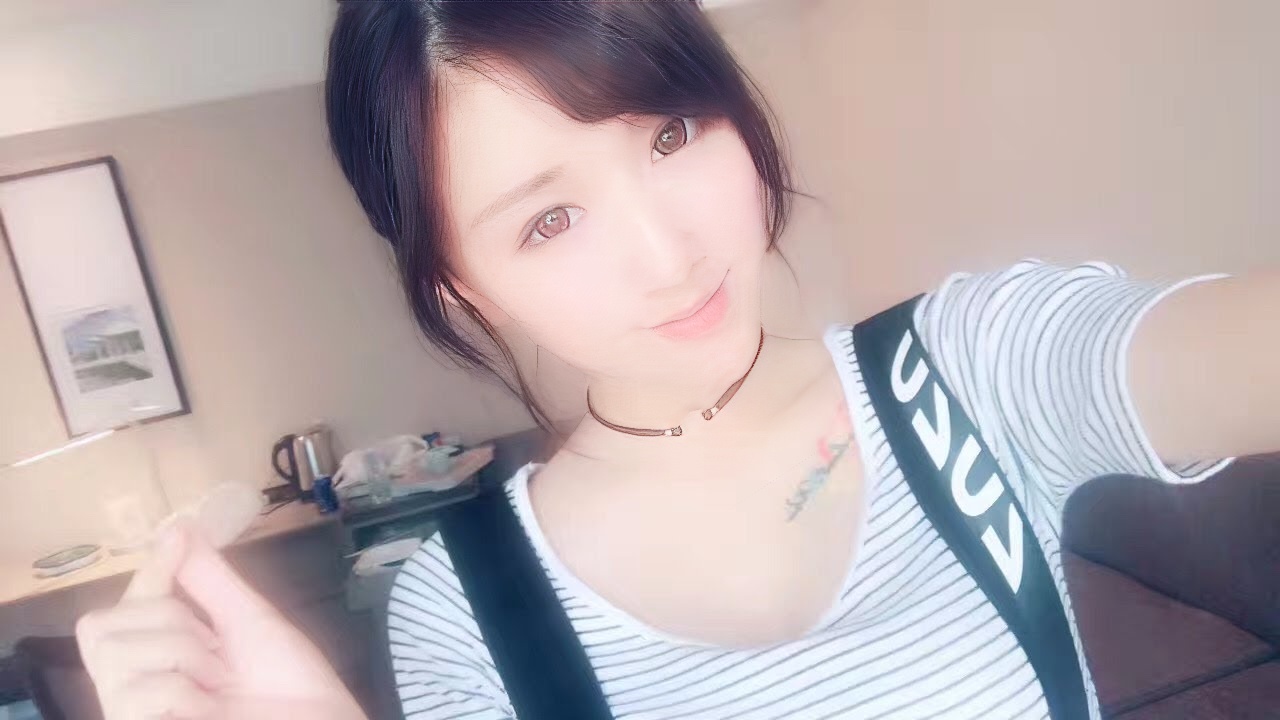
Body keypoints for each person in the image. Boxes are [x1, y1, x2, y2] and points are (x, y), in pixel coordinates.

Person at [76, 2, 1278, 719]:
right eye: (549, 220)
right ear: (465, 288)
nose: (667, 255)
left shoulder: (965, 371)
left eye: (669, 132)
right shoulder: (464, 615)